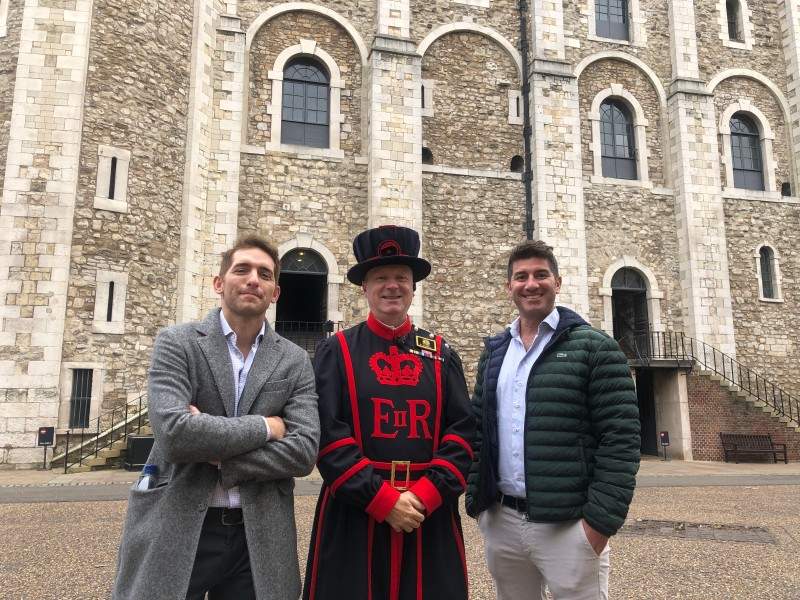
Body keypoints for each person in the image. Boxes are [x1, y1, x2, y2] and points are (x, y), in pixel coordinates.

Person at [112, 236, 320, 600]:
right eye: (242, 269)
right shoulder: (177, 343)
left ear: (276, 293)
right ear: (219, 283)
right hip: (178, 522)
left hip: (260, 534)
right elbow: (175, 434)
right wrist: (267, 427)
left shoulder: (295, 360)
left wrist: (218, 452)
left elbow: (303, 452)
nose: (253, 279)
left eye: (265, 274)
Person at [303, 225, 475, 600]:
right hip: (355, 513)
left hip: (427, 513)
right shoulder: (338, 351)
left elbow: (463, 433)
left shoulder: (442, 353)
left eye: (401, 277)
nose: (392, 285)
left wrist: (426, 495)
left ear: (414, 287)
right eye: (381, 277)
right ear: (364, 287)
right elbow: (328, 433)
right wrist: (381, 500)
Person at [465, 240, 640, 600]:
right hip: (503, 520)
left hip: (569, 525)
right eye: (521, 276)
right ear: (509, 286)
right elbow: (480, 431)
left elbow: (621, 438)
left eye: (541, 274)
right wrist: (479, 501)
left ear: (557, 282)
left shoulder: (595, 348)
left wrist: (598, 525)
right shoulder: (495, 353)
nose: (531, 284)